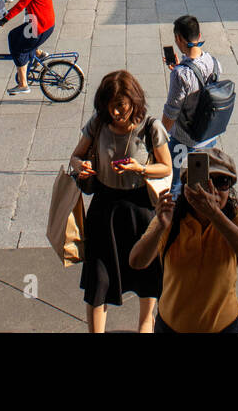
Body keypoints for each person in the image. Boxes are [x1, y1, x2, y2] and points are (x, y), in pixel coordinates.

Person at [70, 70, 171, 333]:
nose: (115, 113)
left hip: (140, 209)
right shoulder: (97, 123)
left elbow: (166, 168)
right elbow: (75, 156)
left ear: (133, 101)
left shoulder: (151, 126)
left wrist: (140, 169)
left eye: (121, 107)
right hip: (104, 208)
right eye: (110, 107)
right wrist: (82, 166)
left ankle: (145, 328)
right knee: (98, 281)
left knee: (147, 278)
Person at [127, 148, 238, 333]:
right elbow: (136, 261)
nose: (213, 190)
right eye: (205, 182)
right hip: (172, 327)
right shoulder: (171, 217)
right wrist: (160, 228)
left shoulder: (234, 217)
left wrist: (215, 214)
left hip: (223, 327)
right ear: (188, 185)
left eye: (223, 182)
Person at [161, 15, 223, 196]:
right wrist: (182, 67)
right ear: (199, 35)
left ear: (179, 39)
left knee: (174, 183)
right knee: (202, 182)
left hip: (184, 138)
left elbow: (171, 111)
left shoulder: (181, 75)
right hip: (208, 134)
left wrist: (160, 137)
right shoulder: (214, 63)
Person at [0, 0, 54, 95]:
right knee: (13, 35)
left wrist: (4, 20)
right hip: (41, 24)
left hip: (38, 27)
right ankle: (38, 53)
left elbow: (20, 5)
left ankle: (23, 84)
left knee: (19, 49)